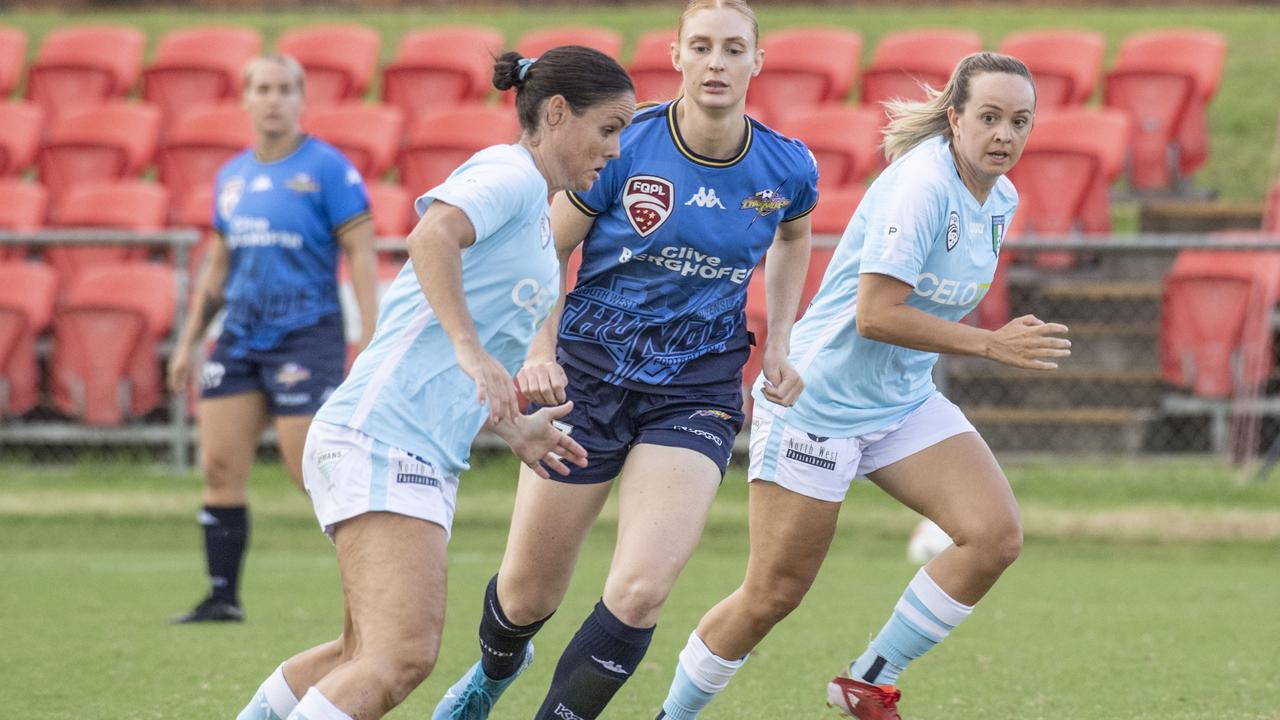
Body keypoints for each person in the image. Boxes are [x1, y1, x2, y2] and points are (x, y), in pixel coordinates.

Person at [655, 52, 1070, 720]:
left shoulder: (1003, 197)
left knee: (994, 537)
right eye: (989, 117)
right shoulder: (922, 187)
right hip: (818, 404)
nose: (1005, 135)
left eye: (1020, 121)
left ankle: (867, 683)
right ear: (956, 118)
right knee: (771, 596)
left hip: (900, 402)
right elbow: (874, 316)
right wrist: (990, 344)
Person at [432, 2, 818, 719]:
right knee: (526, 596)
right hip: (586, 381)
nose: (717, 62)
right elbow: (545, 249)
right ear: (676, 55)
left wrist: (784, 341)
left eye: (734, 49)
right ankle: (491, 674)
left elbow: (794, 239)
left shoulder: (787, 165)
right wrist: (539, 350)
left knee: (641, 591)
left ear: (757, 62)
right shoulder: (624, 147)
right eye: (701, 46)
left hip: (696, 389)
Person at [231, 45, 634, 720]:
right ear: (558, 113)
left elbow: (460, 326)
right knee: (400, 659)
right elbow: (429, 238)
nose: (616, 149)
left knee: (357, 653)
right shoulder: (508, 173)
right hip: (383, 437)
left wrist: (511, 423)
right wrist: (472, 352)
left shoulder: (536, 206)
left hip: (401, 442)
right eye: (610, 128)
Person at [167, 53, 379, 624]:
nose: (274, 98)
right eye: (263, 88)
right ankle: (221, 597)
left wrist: (371, 337)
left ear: (301, 97)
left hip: (306, 336)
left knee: (309, 470)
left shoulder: (328, 169)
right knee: (218, 467)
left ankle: (375, 591)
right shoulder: (231, 176)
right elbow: (217, 268)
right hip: (238, 336)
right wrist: (189, 341)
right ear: (246, 97)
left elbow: (360, 255)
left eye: (285, 88)